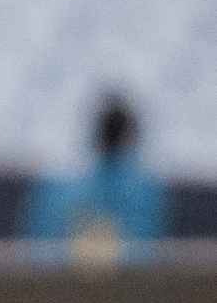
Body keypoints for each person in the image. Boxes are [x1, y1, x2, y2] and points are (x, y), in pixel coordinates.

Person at [20, 90, 167, 268]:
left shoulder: (57, 189)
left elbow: (40, 253)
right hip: (123, 280)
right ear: (131, 136)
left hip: (62, 279)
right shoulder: (146, 192)